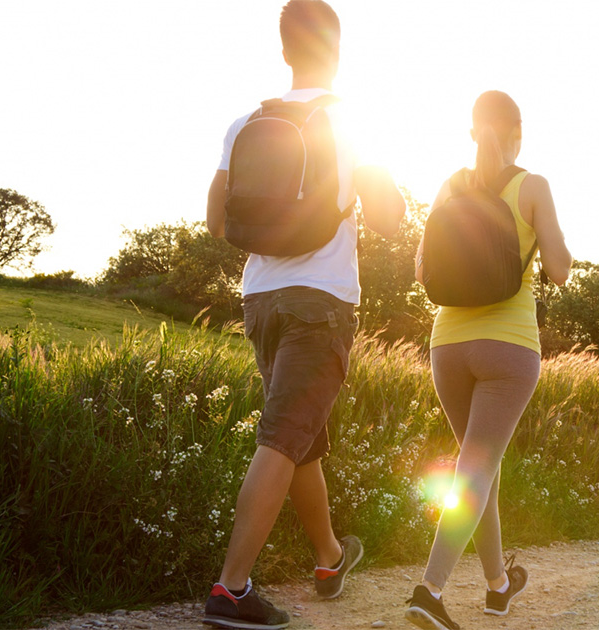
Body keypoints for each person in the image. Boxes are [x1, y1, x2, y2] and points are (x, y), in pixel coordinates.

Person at [202, 2, 406, 628]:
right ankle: (231, 590)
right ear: (337, 53)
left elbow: (216, 221)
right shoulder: (350, 123)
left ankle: (329, 558)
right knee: (284, 437)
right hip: (321, 300)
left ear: (285, 52)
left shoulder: (245, 123)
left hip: (261, 298)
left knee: (300, 440)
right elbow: (389, 220)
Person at [405, 91, 572, 630]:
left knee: (481, 470)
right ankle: (429, 590)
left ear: (473, 132)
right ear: (518, 133)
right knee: (475, 471)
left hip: (447, 345)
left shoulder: (449, 186)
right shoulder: (533, 186)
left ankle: (499, 585)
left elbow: (421, 271)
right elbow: (560, 270)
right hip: (508, 346)